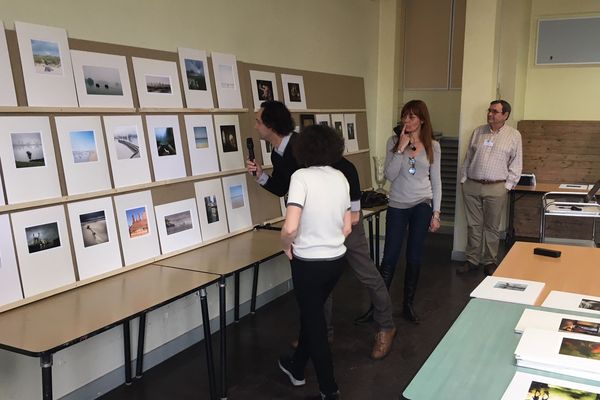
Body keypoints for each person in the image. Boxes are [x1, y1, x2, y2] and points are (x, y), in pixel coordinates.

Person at [247, 100, 396, 360]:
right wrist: (260, 175)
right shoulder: (276, 153)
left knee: (367, 274)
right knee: (319, 284)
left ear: (270, 126)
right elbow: (283, 187)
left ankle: (386, 327)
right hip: (312, 227)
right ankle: (321, 333)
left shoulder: (304, 143)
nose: (256, 125)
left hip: (341, 222)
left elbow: (347, 169)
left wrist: (354, 211)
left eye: (258, 121)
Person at [277, 124, 350, 400]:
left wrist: (286, 245)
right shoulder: (341, 178)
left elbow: (290, 226)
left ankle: (329, 389)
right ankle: (296, 367)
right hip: (335, 261)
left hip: (308, 262)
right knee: (312, 315)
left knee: (315, 322)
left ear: (303, 149)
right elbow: (347, 227)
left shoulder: (301, 177)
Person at [378, 99, 441, 323]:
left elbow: (436, 181)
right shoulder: (393, 141)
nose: (407, 120)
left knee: (414, 256)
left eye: (412, 117)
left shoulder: (433, 146)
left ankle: (407, 305)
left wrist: (436, 213)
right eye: (404, 116)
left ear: (422, 120)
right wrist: (400, 148)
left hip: (422, 203)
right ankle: (379, 308)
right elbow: (390, 175)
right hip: (397, 203)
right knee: (390, 255)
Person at [457, 100, 522, 276]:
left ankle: (490, 261)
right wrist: (464, 179)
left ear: (505, 115)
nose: (490, 114)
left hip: (496, 187)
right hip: (472, 185)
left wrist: (507, 186)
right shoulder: (478, 132)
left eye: (495, 111)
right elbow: (468, 157)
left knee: (492, 227)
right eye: (489, 111)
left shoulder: (514, 135)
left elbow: (516, 163)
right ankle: (472, 260)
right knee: (473, 225)